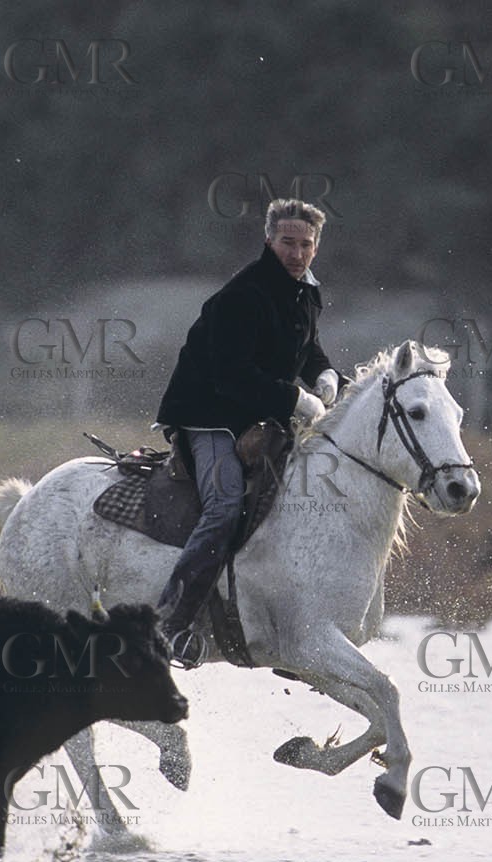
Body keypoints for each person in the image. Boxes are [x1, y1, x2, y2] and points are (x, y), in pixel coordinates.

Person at [153, 198, 340, 667]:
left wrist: (325, 374)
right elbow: (231, 376)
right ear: (268, 241)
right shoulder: (243, 295)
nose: (296, 253)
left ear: (316, 248)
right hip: (208, 413)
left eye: (305, 245)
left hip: (256, 413)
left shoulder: (305, 291)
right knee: (224, 505)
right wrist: (295, 400)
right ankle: (169, 623)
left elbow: (305, 346)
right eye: (287, 243)